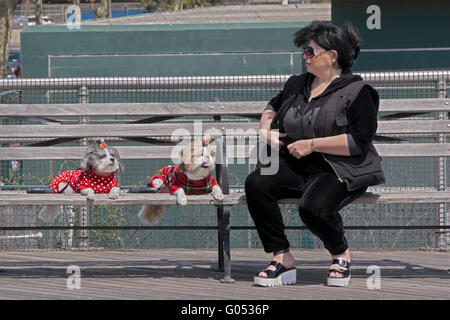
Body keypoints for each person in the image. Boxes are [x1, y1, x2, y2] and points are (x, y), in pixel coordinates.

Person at [245, 20, 385, 287]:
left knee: (313, 207)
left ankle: (340, 254)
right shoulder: (298, 84)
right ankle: (282, 256)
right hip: (298, 166)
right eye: (305, 52)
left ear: (332, 56)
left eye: (310, 52)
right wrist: (264, 129)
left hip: (341, 168)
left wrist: (312, 145)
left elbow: (359, 142)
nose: (304, 57)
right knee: (257, 182)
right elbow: (272, 106)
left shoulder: (358, 92)